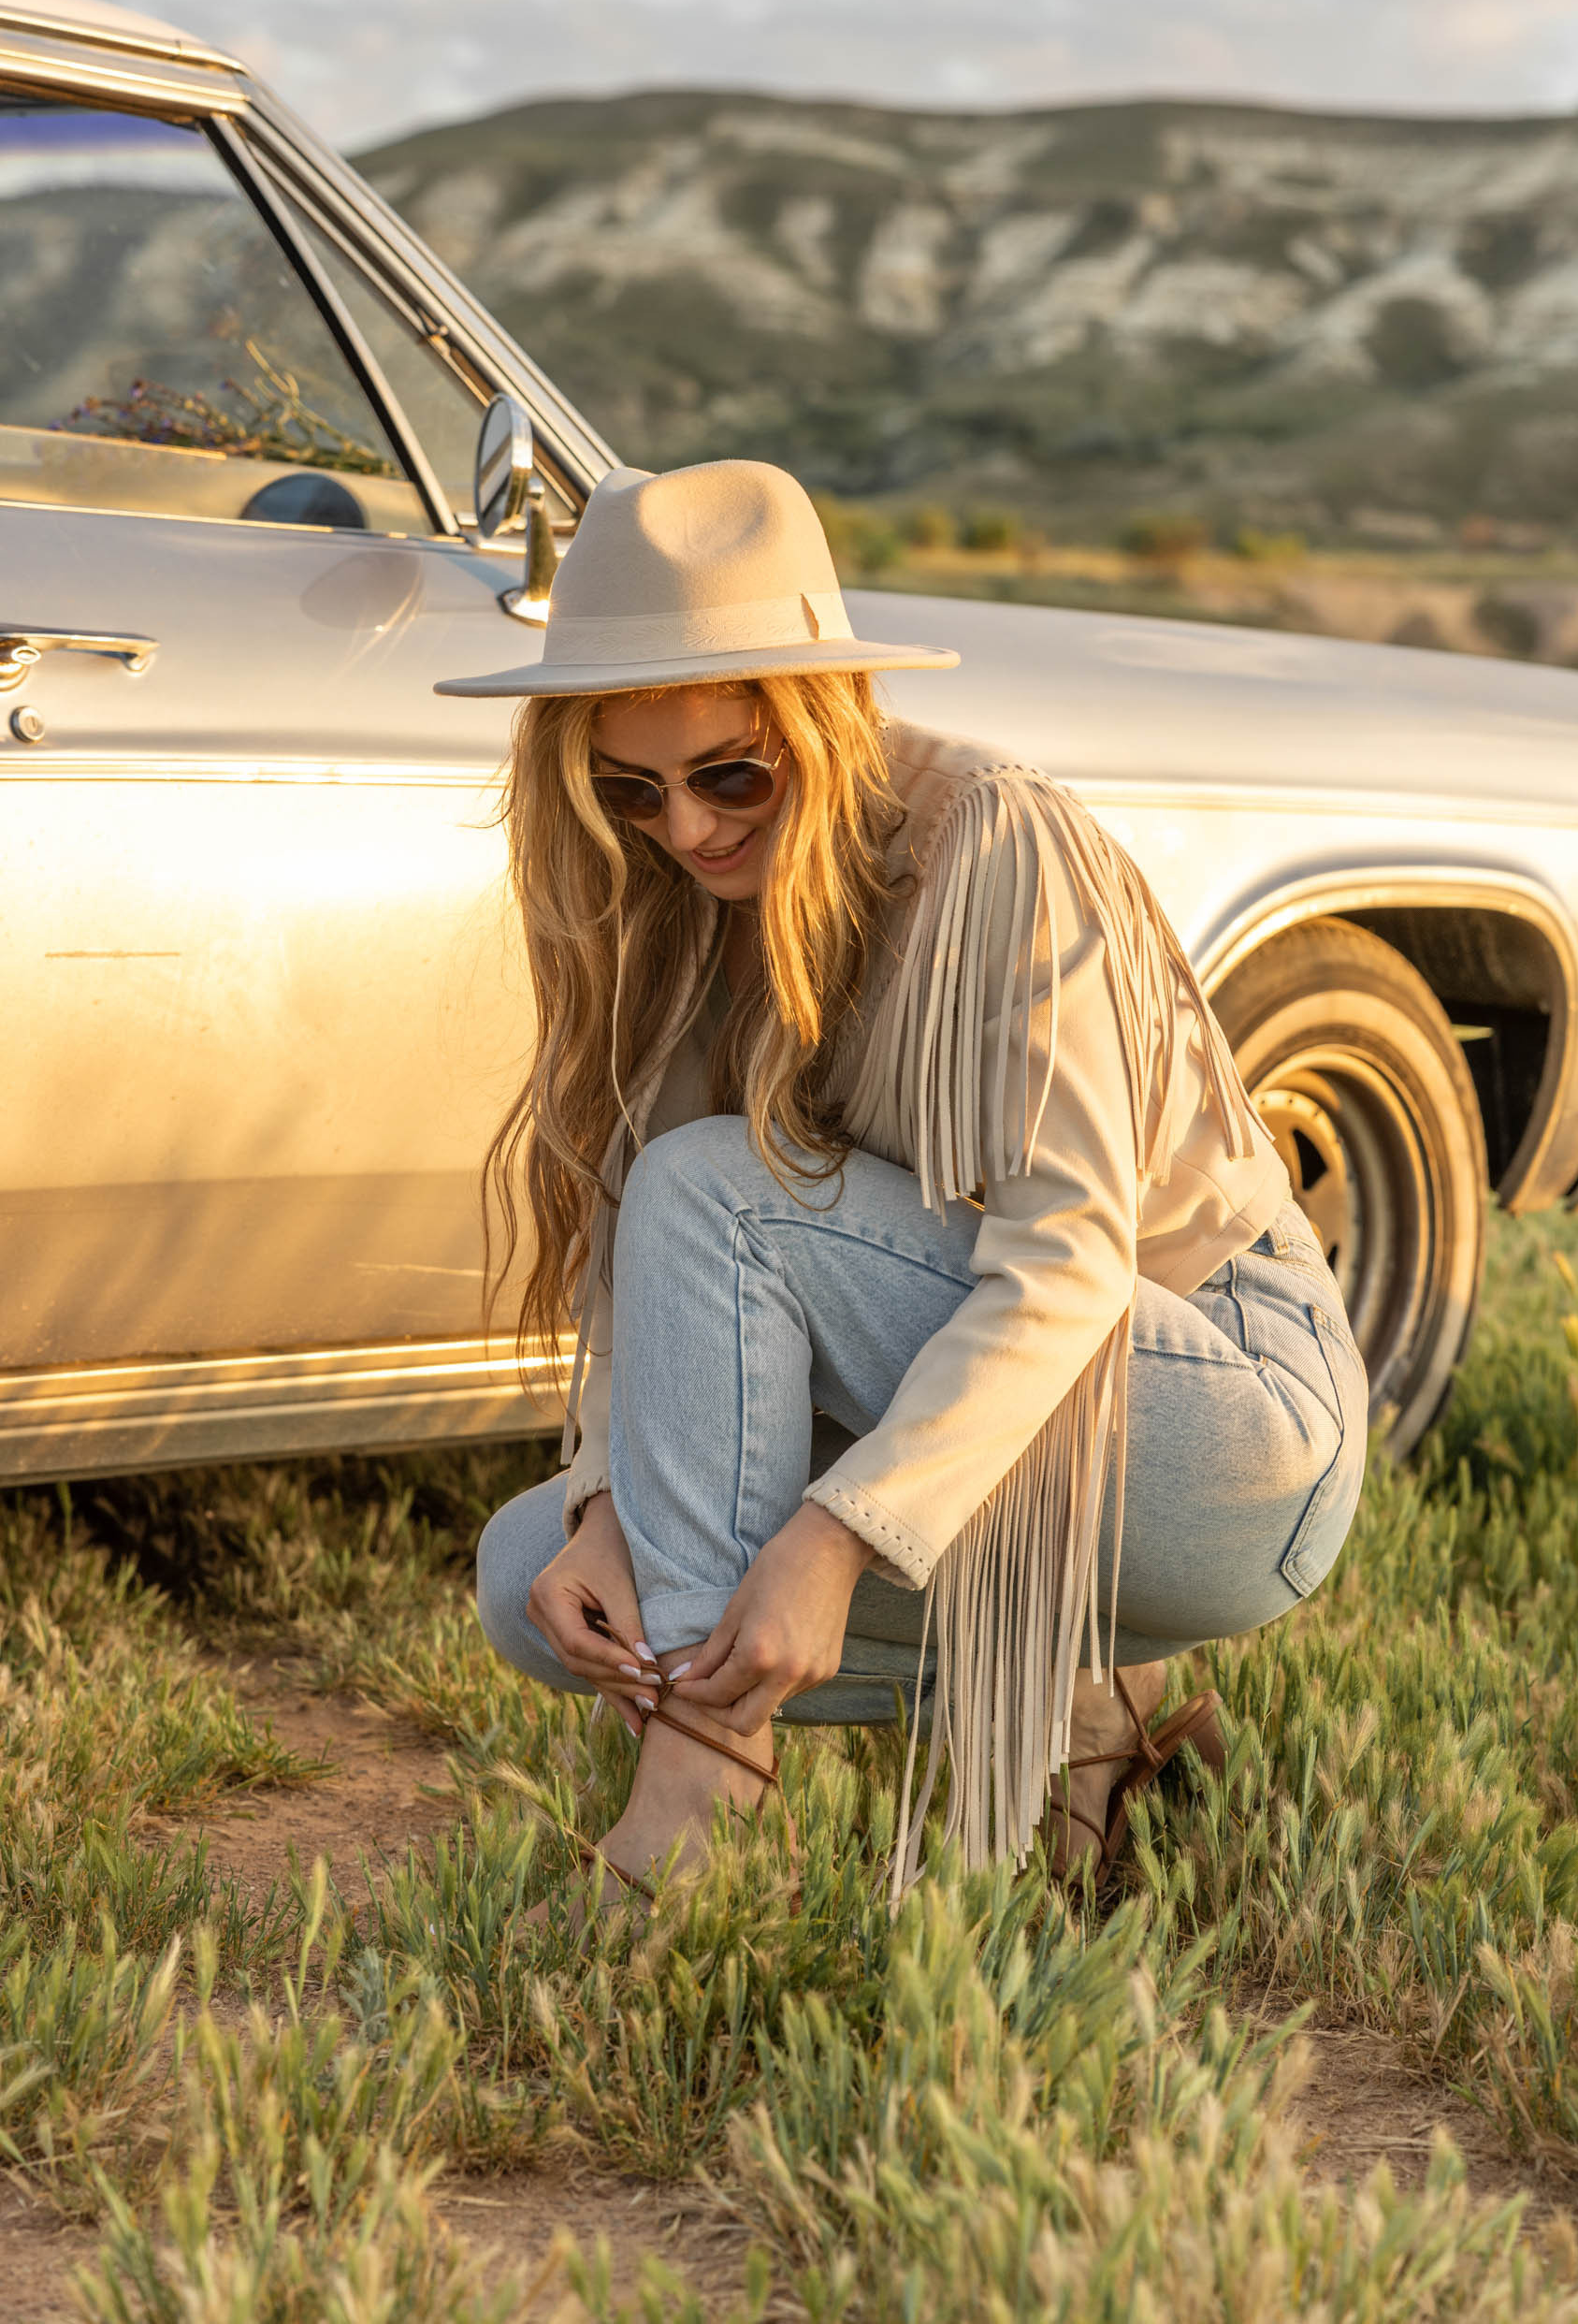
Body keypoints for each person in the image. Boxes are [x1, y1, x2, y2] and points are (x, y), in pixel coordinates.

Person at [440, 459, 1367, 1914]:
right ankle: (1093, 1713)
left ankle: (694, 1791)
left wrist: (836, 1535)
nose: (686, 829)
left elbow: (1063, 1258)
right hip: (1014, 1441)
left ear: (823, 715)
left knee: (717, 1187)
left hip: (1224, 1426)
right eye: (633, 791)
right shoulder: (688, 909)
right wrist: (608, 1496)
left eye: (728, 774)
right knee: (535, 1579)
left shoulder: (994, 838)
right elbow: (647, 1271)